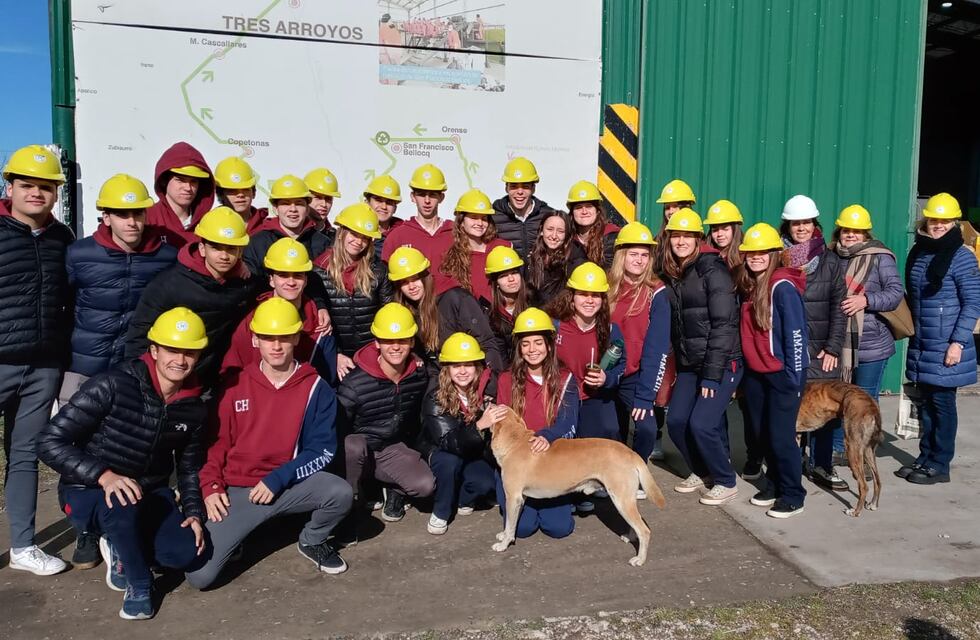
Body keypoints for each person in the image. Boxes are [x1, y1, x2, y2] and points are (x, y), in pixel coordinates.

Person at [38, 307, 209, 619]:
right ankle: (139, 583)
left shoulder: (193, 408)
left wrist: (195, 513)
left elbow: (188, 468)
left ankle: (122, 542)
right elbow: (49, 441)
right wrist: (104, 475)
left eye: (190, 352)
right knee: (121, 502)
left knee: (184, 553)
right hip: (88, 489)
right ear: (154, 350)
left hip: (147, 491)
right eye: (171, 350)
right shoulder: (113, 384)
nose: (180, 360)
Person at [186, 298, 352, 589]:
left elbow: (322, 450)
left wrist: (279, 479)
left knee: (339, 492)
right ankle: (242, 533)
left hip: (285, 485)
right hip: (238, 490)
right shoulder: (234, 384)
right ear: (255, 339)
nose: (276, 346)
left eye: (284, 337)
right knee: (200, 577)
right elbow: (215, 444)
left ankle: (311, 540)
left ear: (297, 338)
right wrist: (210, 486)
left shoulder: (316, 388)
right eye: (267, 338)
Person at [1, 145, 74, 576]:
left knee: (25, 454)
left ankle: (23, 547)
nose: (36, 193)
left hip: (44, 364)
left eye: (46, 187)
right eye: (27, 185)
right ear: (10, 186)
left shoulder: (62, 238)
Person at [658, 209, 742, 505]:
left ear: (698, 239)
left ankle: (725, 480)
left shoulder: (712, 270)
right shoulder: (676, 271)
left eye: (686, 236)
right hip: (690, 362)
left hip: (721, 362)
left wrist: (712, 373)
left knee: (702, 424)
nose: (680, 241)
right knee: (678, 421)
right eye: (675, 236)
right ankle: (702, 470)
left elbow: (724, 325)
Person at [899, 193, 980, 485]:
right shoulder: (920, 252)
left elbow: (973, 303)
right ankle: (925, 456)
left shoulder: (961, 256)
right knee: (927, 403)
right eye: (934, 220)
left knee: (943, 405)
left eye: (945, 221)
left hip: (947, 344)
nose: (938, 226)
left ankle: (940, 463)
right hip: (924, 341)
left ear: (954, 223)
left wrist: (957, 343)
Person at [125, 207, 254, 390]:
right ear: (202, 248)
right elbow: (138, 338)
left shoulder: (245, 285)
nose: (224, 256)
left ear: (240, 252)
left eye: (231, 248)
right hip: (164, 383)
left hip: (211, 384)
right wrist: (141, 384)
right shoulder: (168, 284)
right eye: (216, 247)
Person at [336, 303, 433, 538]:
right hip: (358, 450)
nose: (396, 347)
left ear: (411, 342)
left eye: (402, 340)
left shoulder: (419, 374)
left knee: (425, 486)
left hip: (390, 448)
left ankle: (388, 486)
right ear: (377, 342)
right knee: (352, 445)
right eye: (388, 340)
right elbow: (337, 429)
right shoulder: (354, 383)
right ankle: (351, 504)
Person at [735, 223, 809, 518]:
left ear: (774, 254)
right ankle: (775, 483)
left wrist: (794, 377)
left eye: (761, 252)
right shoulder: (751, 285)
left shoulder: (781, 286)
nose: (755, 257)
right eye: (750, 253)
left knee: (780, 437)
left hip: (781, 374)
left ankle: (793, 494)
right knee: (762, 434)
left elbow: (795, 334)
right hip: (756, 374)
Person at [780, 194, 848, 491]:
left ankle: (822, 464)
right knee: (790, 409)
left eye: (806, 222)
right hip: (787, 347)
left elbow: (839, 306)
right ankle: (791, 465)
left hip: (822, 348)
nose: (802, 228)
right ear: (788, 226)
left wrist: (833, 347)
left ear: (814, 224)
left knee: (826, 411)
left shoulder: (830, 261)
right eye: (796, 223)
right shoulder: (778, 258)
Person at [828, 205, 904, 462]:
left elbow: (895, 294)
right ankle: (839, 448)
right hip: (840, 341)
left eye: (856, 231)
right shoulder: (832, 255)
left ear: (866, 234)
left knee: (866, 400)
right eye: (846, 230)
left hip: (872, 344)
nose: (850, 235)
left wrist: (866, 300)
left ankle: (865, 451)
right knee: (841, 397)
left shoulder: (880, 256)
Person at [495, 307, 579, 538]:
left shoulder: (565, 378)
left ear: (549, 345)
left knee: (559, 528)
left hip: (549, 461)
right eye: (526, 344)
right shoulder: (506, 379)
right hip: (518, 463)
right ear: (519, 348)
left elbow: (569, 422)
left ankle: (562, 501)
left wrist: (548, 436)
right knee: (523, 529)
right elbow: (500, 427)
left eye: (538, 342)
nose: (532, 350)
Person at [419, 333, 501, 535]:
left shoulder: (484, 391)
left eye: (468, 365)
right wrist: (481, 424)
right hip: (441, 450)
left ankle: (461, 497)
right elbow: (449, 441)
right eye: (456, 366)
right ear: (447, 369)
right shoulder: (435, 397)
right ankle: (441, 511)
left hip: (471, 450)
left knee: (486, 482)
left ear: (477, 367)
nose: (463, 371)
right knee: (450, 463)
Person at [222, 238, 336, 382]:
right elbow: (232, 372)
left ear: (306, 281)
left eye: (298, 275)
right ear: (271, 280)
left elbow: (327, 381)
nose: (291, 282)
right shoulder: (253, 321)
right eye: (283, 275)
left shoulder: (320, 323)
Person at [608, 222, 670, 465]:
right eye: (633, 254)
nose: (639, 260)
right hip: (606, 373)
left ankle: (637, 468)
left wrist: (646, 396)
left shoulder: (656, 291)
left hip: (635, 375)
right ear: (621, 255)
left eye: (645, 255)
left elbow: (657, 349)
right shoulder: (605, 287)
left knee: (645, 428)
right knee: (611, 430)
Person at [389, 246, 505, 375]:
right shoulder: (406, 308)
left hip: (470, 375)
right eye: (404, 282)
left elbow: (487, 343)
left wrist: (491, 385)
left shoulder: (456, 298)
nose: (411, 287)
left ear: (425, 276)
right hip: (440, 377)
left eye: (415, 279)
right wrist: (413, 355)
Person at [313, 203, 391, 381]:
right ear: (342, 233)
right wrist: (335, 355)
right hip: (334, 358)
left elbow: (388, 312)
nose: (358, 241)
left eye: (365, 238)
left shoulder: (378, 270)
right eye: (354, 234)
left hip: (373, 354)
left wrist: (378, 353)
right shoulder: (318, 269)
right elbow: (318, 327)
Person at [244, 174, 333, 281]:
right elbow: (251, 286)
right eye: (286, 204)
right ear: (275, 208)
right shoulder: (258, 242)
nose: (293, 209)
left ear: (307, 208)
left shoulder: (323, 243)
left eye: (299, 203)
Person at [440, 188, 510, 304]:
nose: (480, 223)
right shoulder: (452, 255)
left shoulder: (502, 247)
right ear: (461, 222)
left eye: (484, 218)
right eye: (473, 217)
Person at [381, 164, 454, 273]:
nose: (427, 200)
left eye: (433, 194)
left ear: (441, 198)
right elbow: (387, 279)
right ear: (413, 197)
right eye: (421, 194)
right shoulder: (397, 236)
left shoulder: (455, 233)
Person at [144, 141, 214, 248]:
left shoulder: (210, 223)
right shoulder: (146, 219)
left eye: (193, 181)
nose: (188, 188)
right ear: (164, 181)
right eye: (180, 180)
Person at [491, 157, 555, 259]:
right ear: (506, 188)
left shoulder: (549, 216)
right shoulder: (492, 218)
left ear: (533, 189)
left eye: (525, 186)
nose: (520, 192)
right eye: (514, 186)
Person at [526, 209, 586, 305]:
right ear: (541, 231)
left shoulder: (575, 260)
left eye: (560, 231)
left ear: (567, 235)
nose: (554, 236)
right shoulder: (533, 257)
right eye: (550, 229)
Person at [483, 245, 530, 366]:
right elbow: (499, 358)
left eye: (514, 273)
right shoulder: (490, 316)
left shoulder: (535, 303)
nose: (511, 279)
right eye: (503, 276)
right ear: (496, 283)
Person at [566, 180, 619, 268]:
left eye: (589, 206)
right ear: (572, 213)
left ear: (597, 211)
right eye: (579, 208)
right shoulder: (567, 238)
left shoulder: (612, 237)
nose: (584, 211)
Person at [213, 156, 267, 235]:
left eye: (245, 189)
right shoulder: (210, 224)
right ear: (220, 193)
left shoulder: (267, 227)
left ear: (254, 192)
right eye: (232, 190)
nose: (240, 195)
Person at [651, 178, 696, 272]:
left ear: (687, 207)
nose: (671, 212)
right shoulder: (658, 241)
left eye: (675, 206)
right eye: (667, 207)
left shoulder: (698, 238)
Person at [363, 175, 404, 256]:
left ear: (395, 208)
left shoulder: (404, 234)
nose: (384, 206)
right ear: (367, 202)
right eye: (378, 200)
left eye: (389, 202)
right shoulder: (354, 233)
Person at [704, 199, 744, 269]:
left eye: (725, 229)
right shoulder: (703, 254)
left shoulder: (744, 257)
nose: (719, 234)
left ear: (735, 230)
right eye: (715, 230)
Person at [304, 167, 342, 233]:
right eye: (318, 197)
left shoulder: (334, 238)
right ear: (306, 198)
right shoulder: (293, 233)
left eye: (328, 198)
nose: (324, 204)